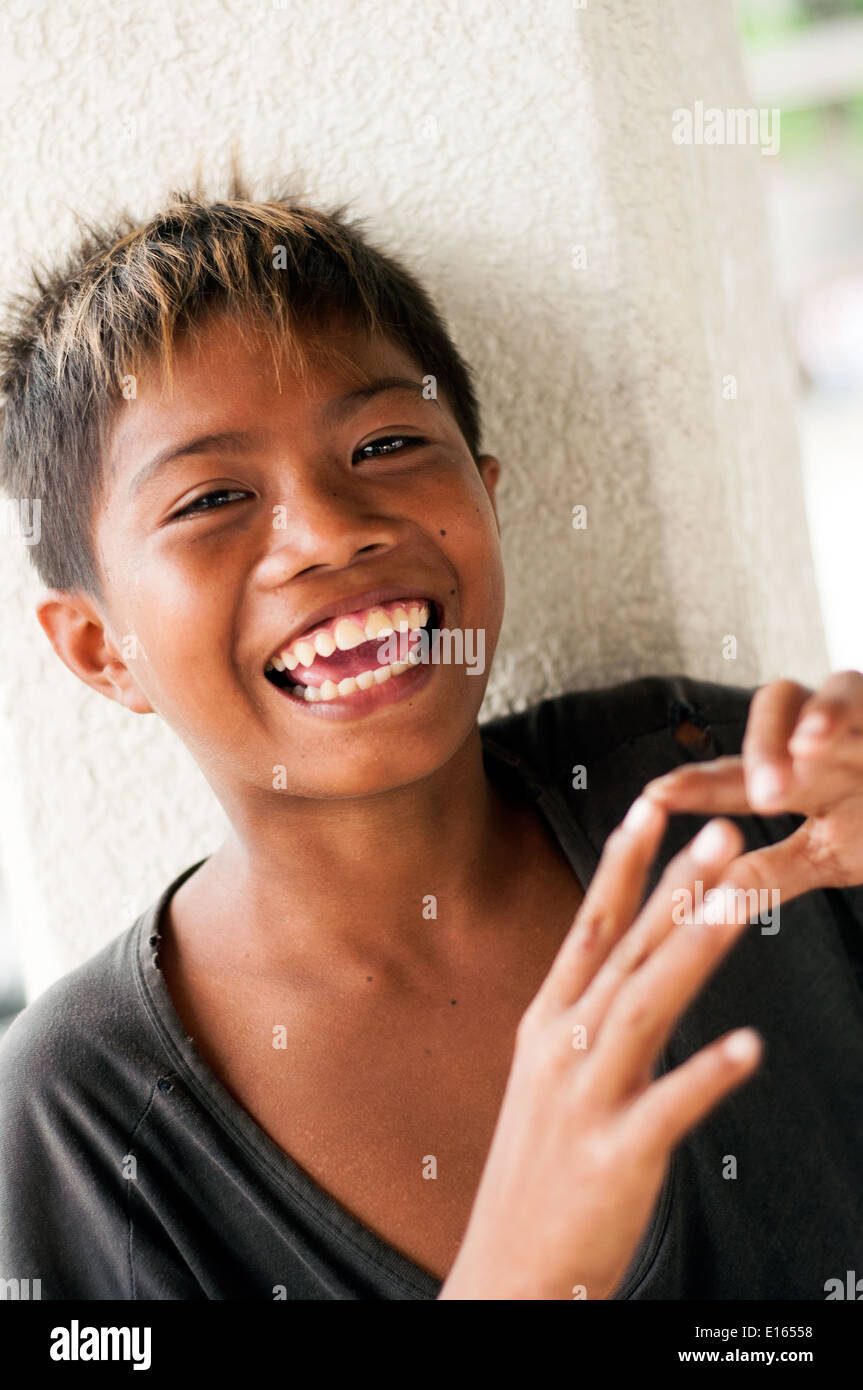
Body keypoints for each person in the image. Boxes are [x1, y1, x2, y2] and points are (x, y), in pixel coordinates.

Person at [0, 174, 861, 1301]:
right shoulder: (76, 1127)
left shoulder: (725, 783)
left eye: (384, 443)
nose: (326, 532)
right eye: (211, 499)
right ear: (101, 650)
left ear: (487, 498)